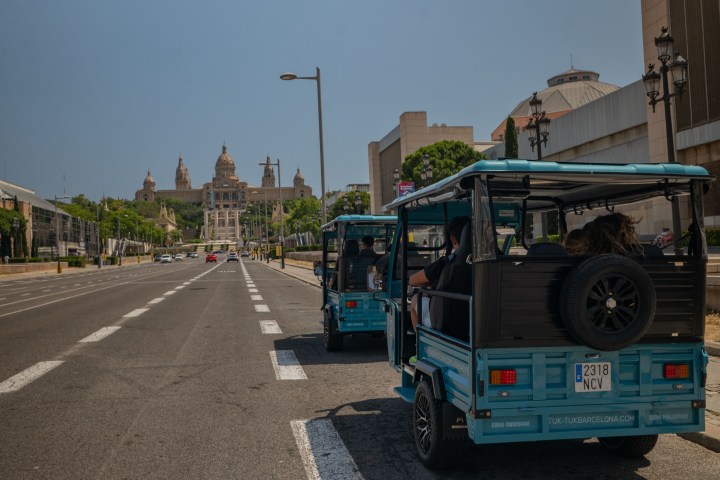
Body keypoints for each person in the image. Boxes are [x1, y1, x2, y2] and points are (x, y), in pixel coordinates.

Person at [409, 216, 471, 333]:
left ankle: (419, 344)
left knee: (415, 299)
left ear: (453, 240)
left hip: (449, 322)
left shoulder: (449, 261)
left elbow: (412, 280)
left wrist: (431, 282)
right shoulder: (495, 259)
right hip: (483, 319)